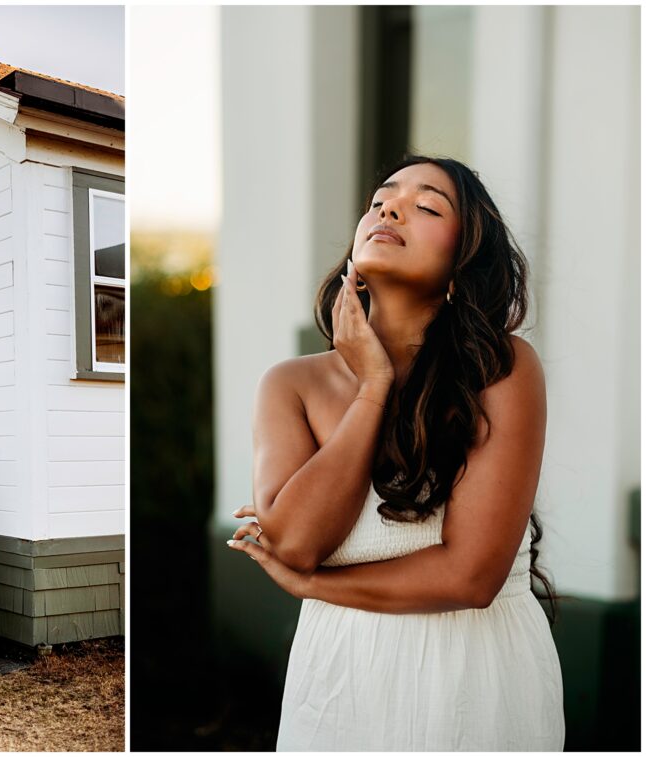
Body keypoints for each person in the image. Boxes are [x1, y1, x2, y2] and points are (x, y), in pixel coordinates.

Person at [227, 155, 564, 750]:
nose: (390, 207)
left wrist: (314, 587)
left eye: (428, 205)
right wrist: (374, 387)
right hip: (338, 677)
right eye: (381, 199)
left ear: (462, 263)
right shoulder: (290, 385)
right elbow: (296, 541)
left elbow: (471, 577)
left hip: (474, 673)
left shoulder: (502, 370)